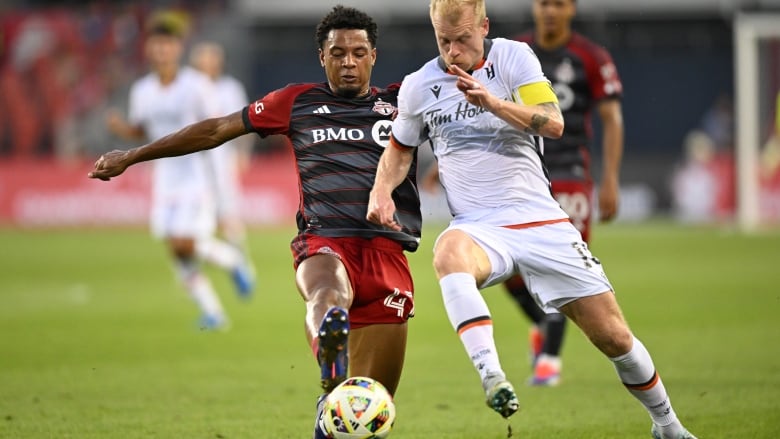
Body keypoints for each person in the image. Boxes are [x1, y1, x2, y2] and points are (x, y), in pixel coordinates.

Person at [367, 1, 697, 438]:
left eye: (462, 39)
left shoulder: (513, 57)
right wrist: (380, 190)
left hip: (541, 220)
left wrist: (493, 103)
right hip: (479, 225)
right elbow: (400, 149)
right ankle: (492, 376)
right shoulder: (419, 85)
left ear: (483, 27)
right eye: (443, 41)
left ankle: (667, 426)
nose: (453, 52)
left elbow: (553, 122)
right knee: (447, 251)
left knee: (615, 338)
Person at [90, 6, 421, 439]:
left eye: (358, 52)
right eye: (337, 53)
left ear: (373, 55)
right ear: (322, 57)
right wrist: (131, 155)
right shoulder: (297, 101)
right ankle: (329, 355)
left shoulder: (403, 103)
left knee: (366, 413)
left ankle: (330, 400)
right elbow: (216, 130)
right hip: (325, 241)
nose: (348, 62)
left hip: (387, 252)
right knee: (326, 291)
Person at [104, 12, 256, 331]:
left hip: (196, 175)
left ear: (177, 49)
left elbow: (216, 128)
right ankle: (213, 312)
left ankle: (232, 260)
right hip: (164, 178)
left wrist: (221, 177)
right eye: (156, 45)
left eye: (168, 45)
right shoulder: (142, 90)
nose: (162, 51)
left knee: (184, 243)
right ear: (149, 49)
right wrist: (123, 129)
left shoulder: (197, 86)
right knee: (177, 251)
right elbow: (143, 130)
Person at [508, 0, 625, 386]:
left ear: (571, 9)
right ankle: (545, 323)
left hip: (571, 172)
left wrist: (609, 179)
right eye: (544, 3)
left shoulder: (591, 57)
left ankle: (548, 363)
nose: (550, 11)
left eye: (558, 3)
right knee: (507, 269)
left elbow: (611, 118)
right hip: (524, 170)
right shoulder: (516, 52)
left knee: (562, 268)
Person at [189, 41, 256, 265]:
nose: (209, 63)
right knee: (194, 213)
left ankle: (239, 255)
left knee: (228, 209)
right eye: (205, 59)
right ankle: (209, 256)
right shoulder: (189, 87)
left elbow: (246, 123)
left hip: (221, 157)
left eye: (213, 59)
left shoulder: (230, 88)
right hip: (192, 160)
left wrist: (242, 153)